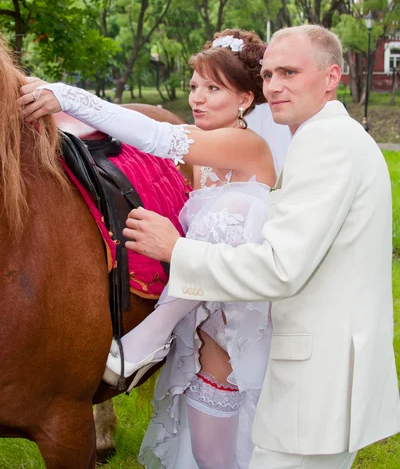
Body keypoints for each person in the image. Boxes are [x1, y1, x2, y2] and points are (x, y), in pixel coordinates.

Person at [114, 25, 400, 469]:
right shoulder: (326, 137)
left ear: (332, 77)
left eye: (289, 71)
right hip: (299, 365)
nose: (274, 86)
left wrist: (177, 251)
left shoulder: (325, 145)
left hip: (316, 380)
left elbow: (279, 269)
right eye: (268, 74)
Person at [19, 29, 291, 469]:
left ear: (245, 99)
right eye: (194, 86)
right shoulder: (205, 155)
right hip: (203, 324)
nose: (198, 98)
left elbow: (157, 136)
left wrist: (66, 96)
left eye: (213, 88)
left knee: (218, 449)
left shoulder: (247, 145)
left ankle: (148, 337)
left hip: (229, 323)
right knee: (203, 447)